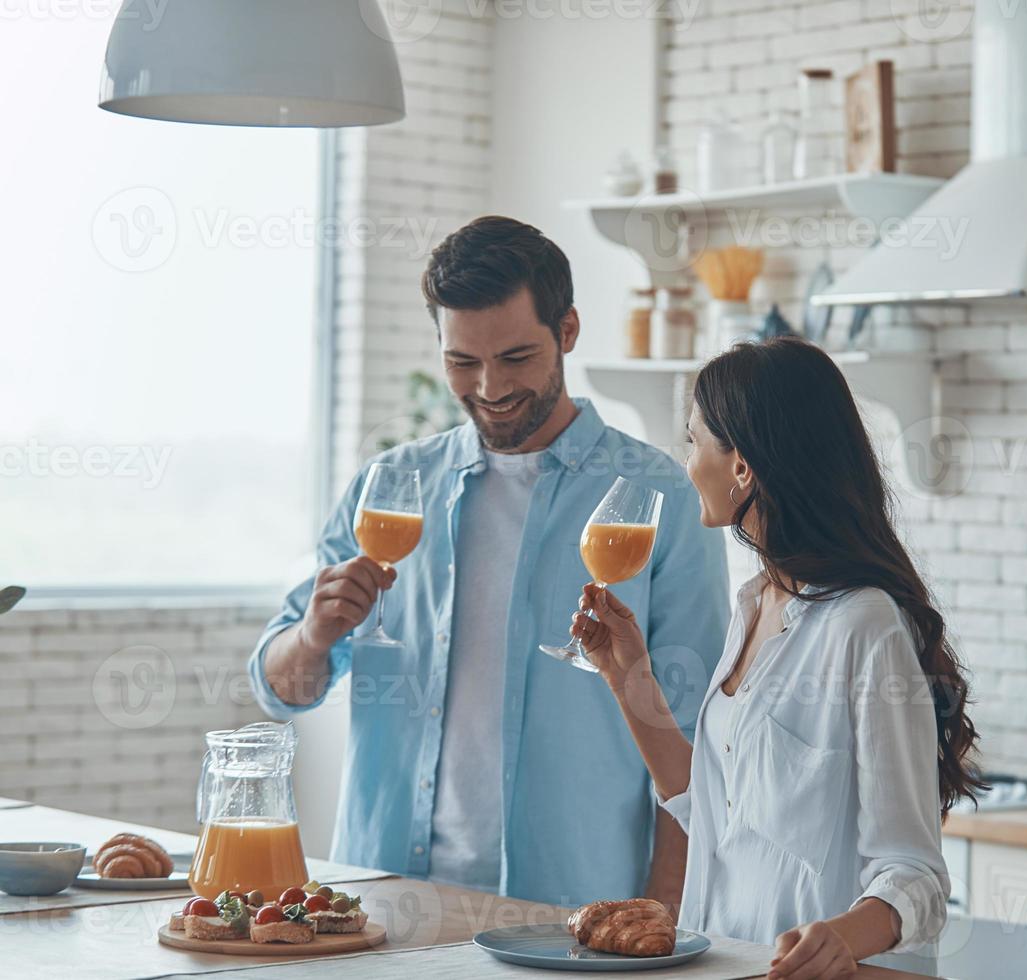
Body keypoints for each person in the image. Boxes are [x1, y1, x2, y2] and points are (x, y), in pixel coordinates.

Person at [247, 215, 729, 909]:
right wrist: (315, 636)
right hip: (383, 895)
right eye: (461, 362)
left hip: (573, 906)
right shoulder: (392, 484)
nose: (489, 387)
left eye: (514, 358)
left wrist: (663, 909)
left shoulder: (656, 493)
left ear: (566, 332)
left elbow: (695, 731)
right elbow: (282, 687)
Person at [569, 336, 985, 979]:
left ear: (742, 465)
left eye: (693, 442)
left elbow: (917, 878)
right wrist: (628, 679)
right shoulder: (752, 605)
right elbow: (708, 809)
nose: (687, 465)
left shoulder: (862, 624)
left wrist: (841, 938)